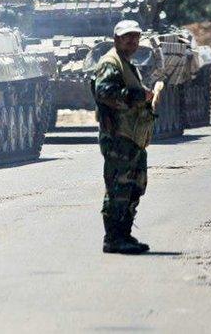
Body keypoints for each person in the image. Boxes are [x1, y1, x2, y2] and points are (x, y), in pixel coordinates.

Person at [92, 19, 161, 254]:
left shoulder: (126, 64)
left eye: (135, 37)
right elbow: (103, 92)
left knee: (134, 186)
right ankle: (113, 238)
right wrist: (135, 96)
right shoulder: (111, 63)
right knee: (118, 187)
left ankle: (124, 234)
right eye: (127, 37)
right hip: (117, 136)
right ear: (116, 39)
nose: (132, 41)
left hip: (131, 136)